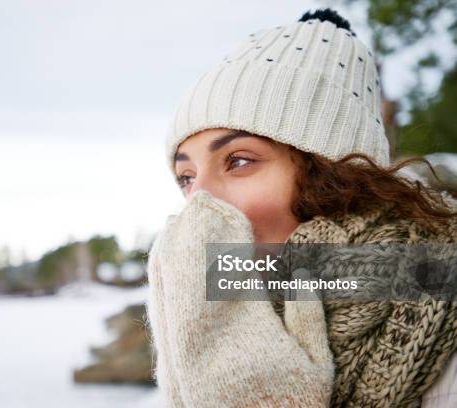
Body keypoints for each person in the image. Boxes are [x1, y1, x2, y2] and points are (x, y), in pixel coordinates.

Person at [145, 8, 457, 408]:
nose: (199, 205)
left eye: (239, 161)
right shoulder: (209, 344)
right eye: (186, 178)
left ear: (329, 174)